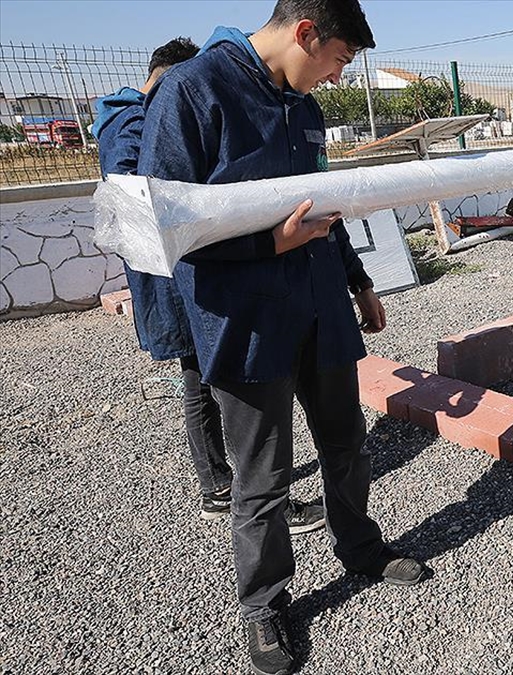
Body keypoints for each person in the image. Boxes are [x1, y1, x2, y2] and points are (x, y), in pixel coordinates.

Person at [136, 3, 424, 673]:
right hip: (248, 320)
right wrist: (269, 242)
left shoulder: (306, 109)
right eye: (337, 61)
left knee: (346, 443)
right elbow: (162, 224)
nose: (334, 76)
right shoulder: (195, 90)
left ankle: (359, 546)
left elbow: (323, 204)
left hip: (320, 306)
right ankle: (264, 604)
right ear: (305, 33)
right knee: (262, 478)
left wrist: (357, 280)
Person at [91, 37, 325, 535]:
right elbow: (158, 210)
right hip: (175, 277)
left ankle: (222, 485)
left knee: (201, 377)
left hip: (181, 274)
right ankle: (227, 488)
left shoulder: (128, 121)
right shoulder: (136, 127)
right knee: (204, 379)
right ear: (168, 80)